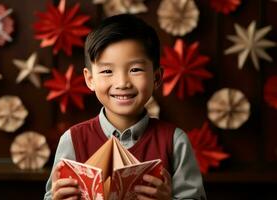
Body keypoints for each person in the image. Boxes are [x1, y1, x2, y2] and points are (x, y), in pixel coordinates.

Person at [44, 14, 206, 200]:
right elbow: (52, 195)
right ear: (90, 79)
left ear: (157, 77)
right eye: (107, 71)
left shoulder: (174, 141)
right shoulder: (73, 139)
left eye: (135, 69)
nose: (122, 83)